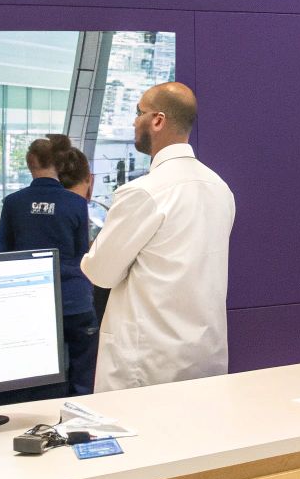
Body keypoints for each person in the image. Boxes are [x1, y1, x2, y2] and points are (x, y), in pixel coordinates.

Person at [81, 81, 234, 392]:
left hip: (146, 364)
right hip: (204, 356)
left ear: (158, 120)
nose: (134, 122)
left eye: (138, 112)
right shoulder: (220, 188)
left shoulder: (143, 193)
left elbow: (100, 273)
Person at [0, 133, 99, 396]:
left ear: (30, 163)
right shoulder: (76, 203)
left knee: (36, 377)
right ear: (59, 163)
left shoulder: (12, 203)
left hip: (30, 303)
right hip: (75, 301)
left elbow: (2, 254)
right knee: (83, 373)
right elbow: (82, 253)